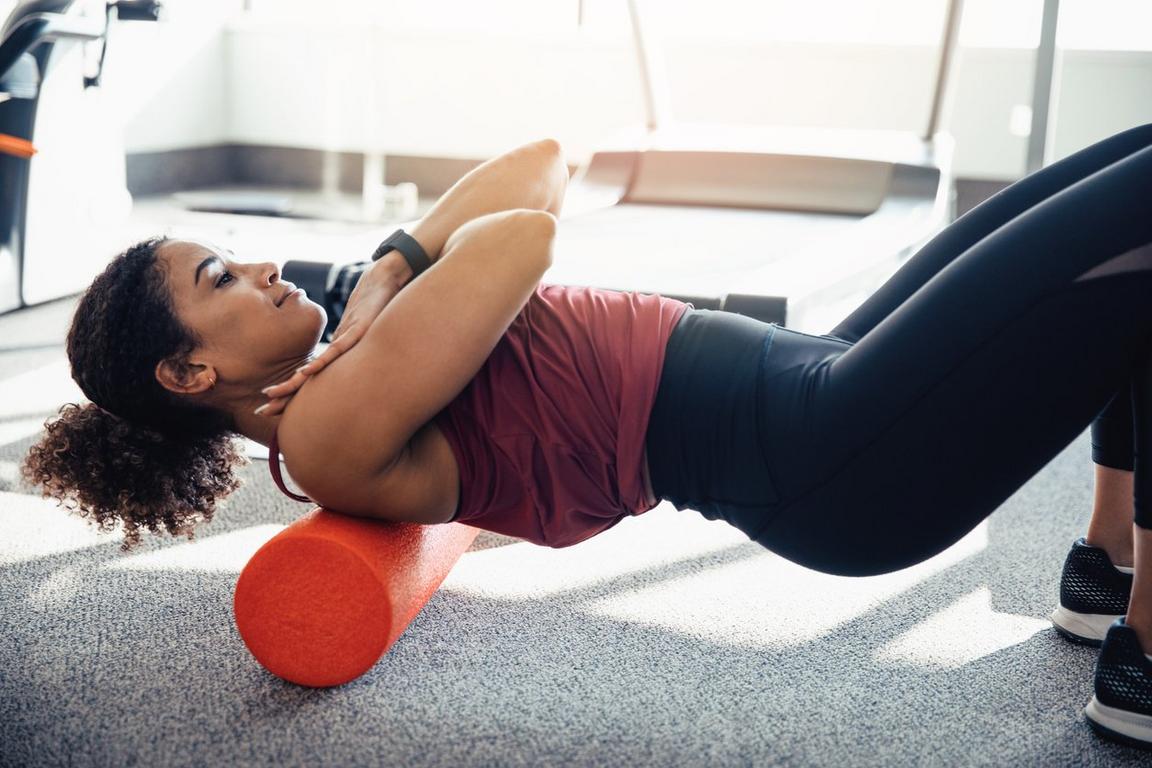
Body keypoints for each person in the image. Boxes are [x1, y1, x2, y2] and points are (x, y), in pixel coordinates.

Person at [20, 128, 1152, 747]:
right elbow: (520, 234)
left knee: (1126, 172)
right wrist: (391, 274)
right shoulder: (327, 425)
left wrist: (388, 265)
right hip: (834, 452)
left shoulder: (339, 350)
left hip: (816, 376)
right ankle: (1144, 656)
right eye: (222, 277)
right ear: (191, 371)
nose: (263, 265)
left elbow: (544, 154)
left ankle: (1106, 566)